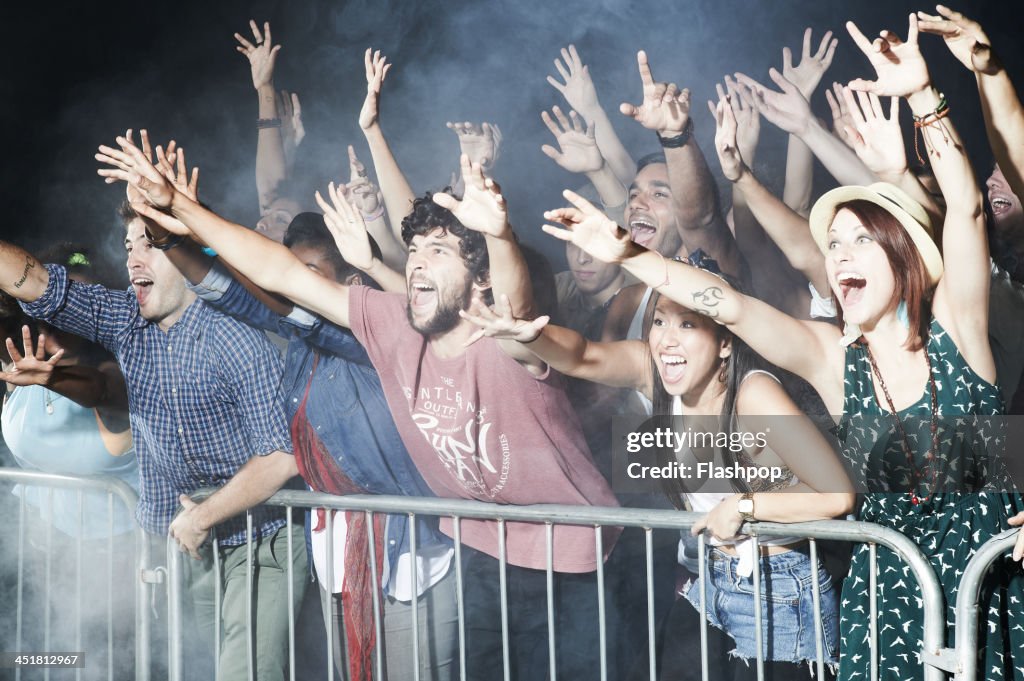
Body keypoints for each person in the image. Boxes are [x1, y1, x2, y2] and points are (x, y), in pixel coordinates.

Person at [536, 15, 1024, 680]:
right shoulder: (832, 358)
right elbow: (727, 303)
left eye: (861, 240)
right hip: (885, 600)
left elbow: (965, 211)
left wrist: (923, 100)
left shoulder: (960, 331)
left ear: (904, 257)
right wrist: (627, 253)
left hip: (985, 591)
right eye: (836, 242)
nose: (841, 253)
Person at [99, 128, 621, 680]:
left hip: (572, 556)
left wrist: (499, 234)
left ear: (480, 279)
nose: (417, 263)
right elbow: (281, 275)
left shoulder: (504, 338)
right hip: (484, 550)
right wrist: (177, 208)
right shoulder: (393, 325)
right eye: (414, 251)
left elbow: (515, 304)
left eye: (437, 251)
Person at [460, 251, 854, 678]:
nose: (667, 340)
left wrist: (743, 508)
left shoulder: (753, 396)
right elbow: (582, 356)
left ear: (725, 342)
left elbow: (836, 493)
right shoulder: (657, 372)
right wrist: (529, 336)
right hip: (712, 578)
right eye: (660, 321)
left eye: (687, 324)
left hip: (779, 591)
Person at [0, 148, 307, 681]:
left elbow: (281, 456)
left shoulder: (235, 336)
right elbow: (38, 286)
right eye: (128, 246)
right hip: (181, 543)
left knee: (244, 672)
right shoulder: (126, 321)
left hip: (260, 540)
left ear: (184, 250)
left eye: (150, 245)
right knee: (191, 668)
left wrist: (203, 516)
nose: (133, 260)